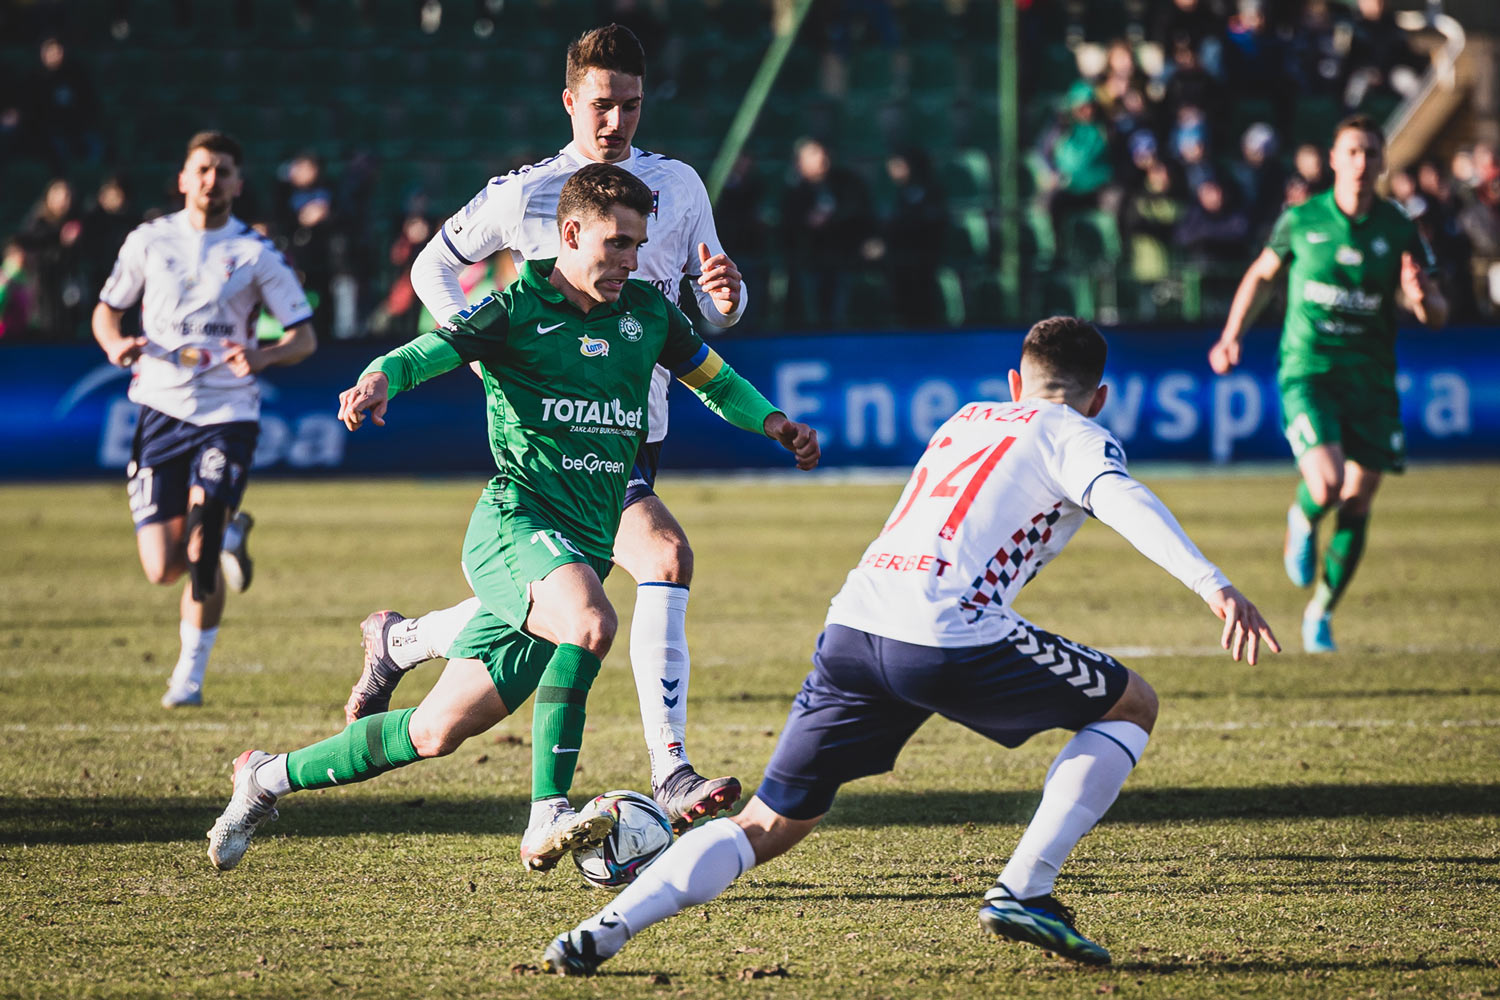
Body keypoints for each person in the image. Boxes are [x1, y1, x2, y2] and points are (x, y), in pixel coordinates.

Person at [544, 316, 1279, 975]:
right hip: (948, 631)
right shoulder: (1078, 433)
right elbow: (1123, 498)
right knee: (1130, 705)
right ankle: (1025, 889)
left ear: (1015, 382)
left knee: (766, 825)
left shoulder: (968, 417)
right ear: (1099, 397)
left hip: (855, 627)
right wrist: (1212, 583)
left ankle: (604, 929)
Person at [205, 163, 820, 875]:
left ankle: (266, 778)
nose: (632, 259)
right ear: (569, 233)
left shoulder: (648, 313)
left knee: (434, 733)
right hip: (514, 522)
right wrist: (379, 375)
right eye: (617, 243)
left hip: (577, 547)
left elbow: (714, 378)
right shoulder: (516, 307)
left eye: (639, 244)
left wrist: (773, 422)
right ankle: (546, 816)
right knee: (591, 623)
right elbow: (430, 351)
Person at [343, 24, 755, 835]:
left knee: (566, 594)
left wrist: (728, 297)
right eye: (602, 105)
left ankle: (404, 640)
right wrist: (481, 349)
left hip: (640, 426)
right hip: (553, 431)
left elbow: (707, 309)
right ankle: (670, 768)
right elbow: (432, 266)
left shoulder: (677, 183)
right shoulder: (525, 194)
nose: (617, 123)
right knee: (663, 557)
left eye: (631, 106)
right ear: (570, 101)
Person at [91, 131, 318, 706]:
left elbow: (304, 337)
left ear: (238, 184)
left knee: (202, 542)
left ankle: (188, 677)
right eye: (203, 169)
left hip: (227, 411)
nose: (212, 180)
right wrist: (115, 343)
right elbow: (106, 312)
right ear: (183, 178)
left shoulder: (257, 252)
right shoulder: (149, 240)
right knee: (162, 567)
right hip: (158, 408)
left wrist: (264, 354)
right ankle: (228, 533)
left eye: (223, 171)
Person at [1209, 115, 1448, 652]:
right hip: (1309, 370)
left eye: (1371, 153)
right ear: (1335, 160)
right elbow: (1262, 276)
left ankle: (1321, 612)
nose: (1362, 163)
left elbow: (1435, 312)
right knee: (1328, 483)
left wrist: (1422, 297)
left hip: (1373, 380)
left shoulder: (1398, 226)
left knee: (1359, 499)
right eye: (1352, 152)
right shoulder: (1302, 219)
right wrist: (1232, 335)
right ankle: (1302, 515)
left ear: (1383, 162)